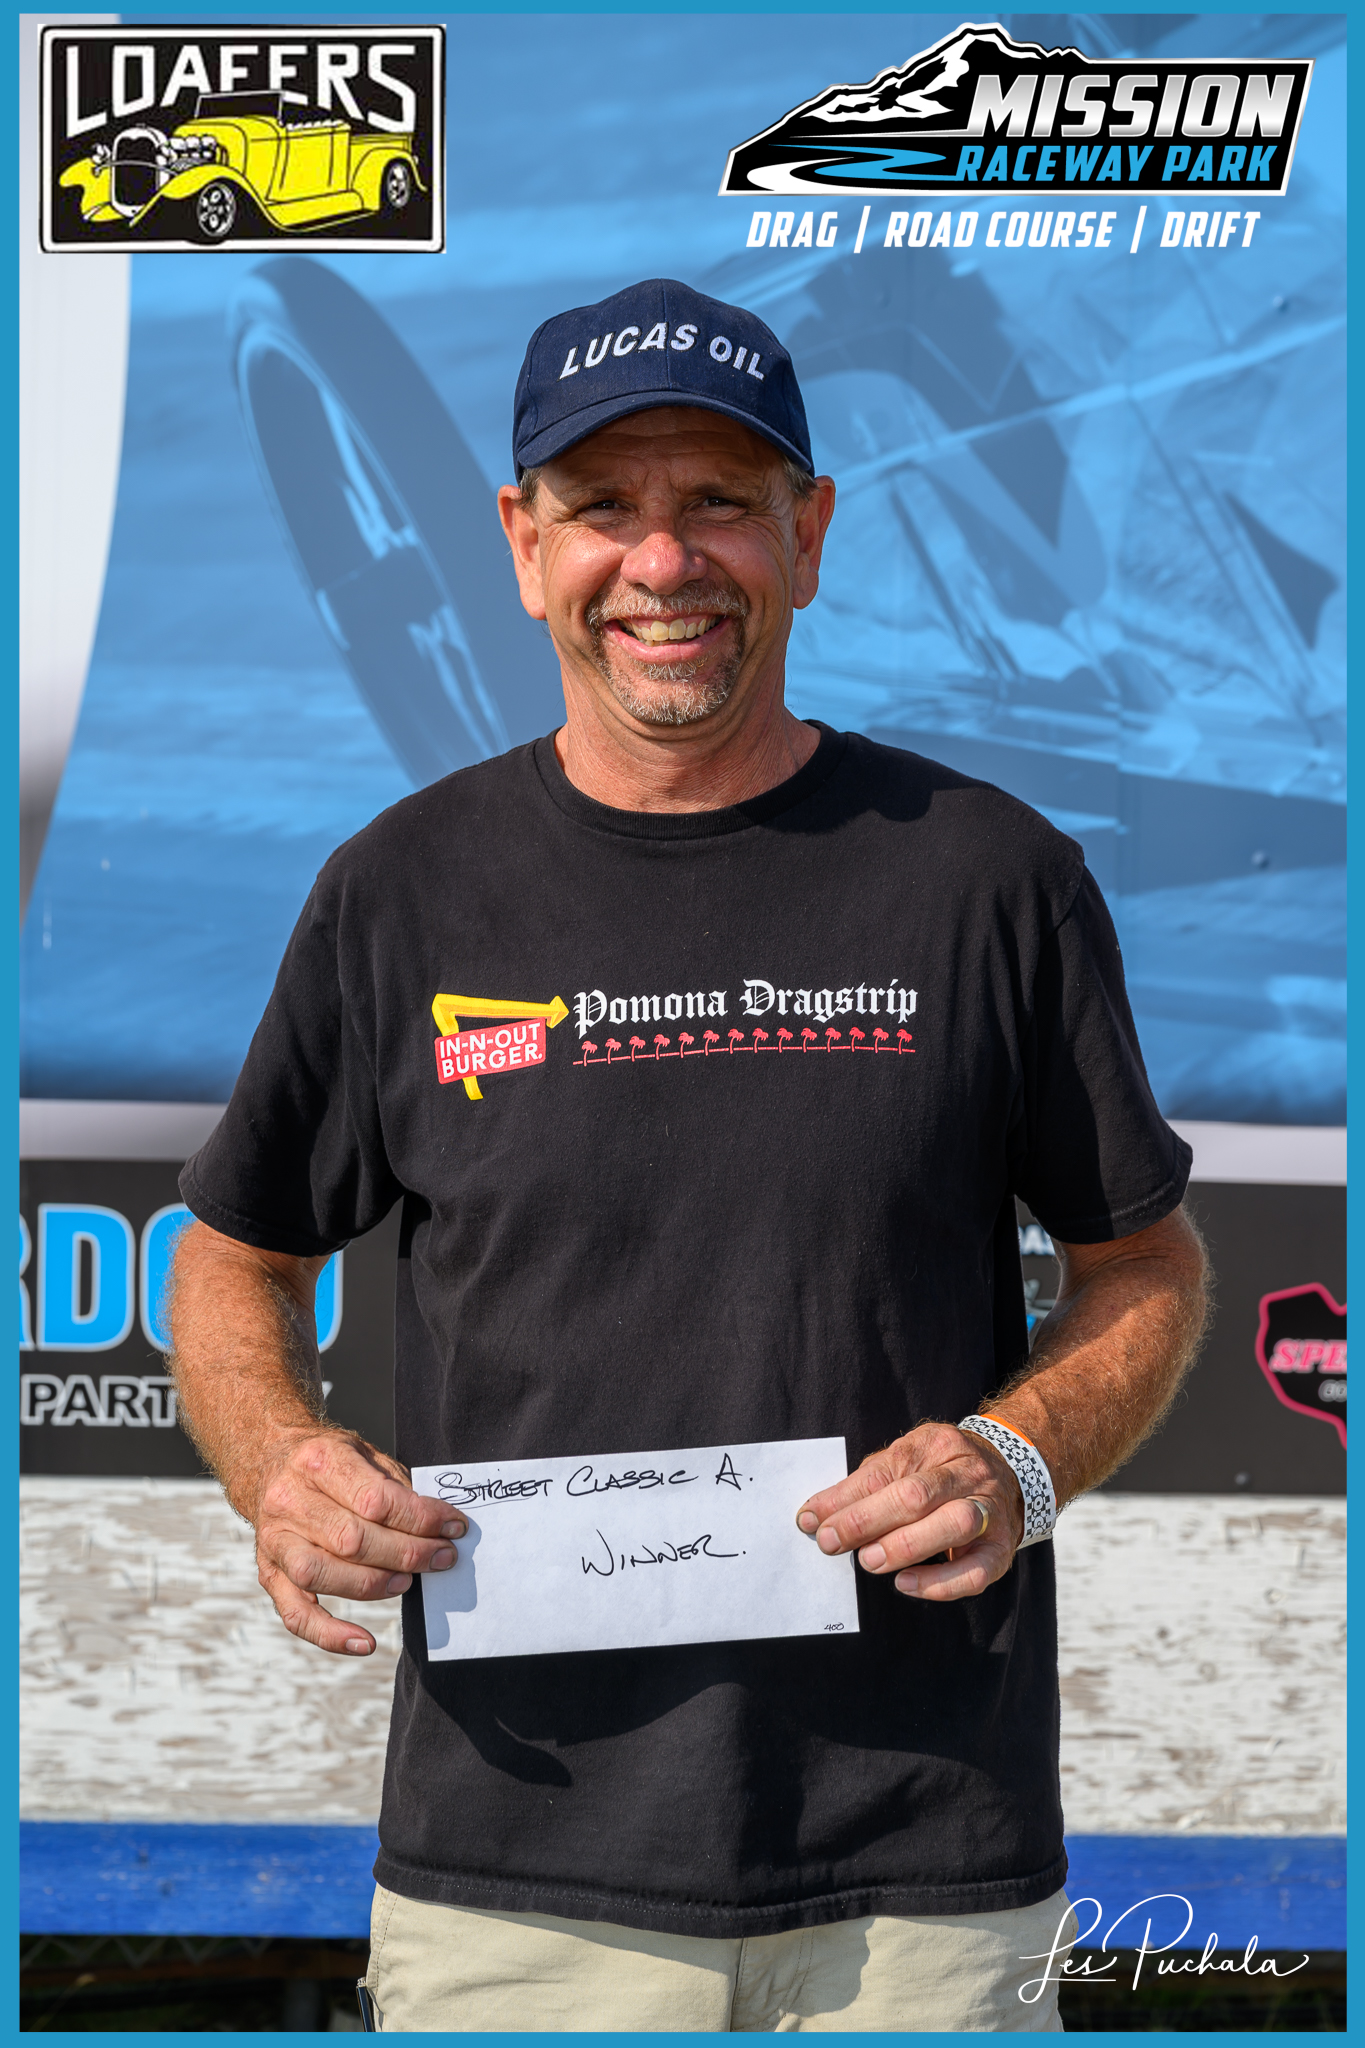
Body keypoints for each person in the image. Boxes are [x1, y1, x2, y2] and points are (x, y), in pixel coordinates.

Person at [169, 277, 1208, 2032]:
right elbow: (235, 1251)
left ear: (807, 535)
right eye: (602, 508)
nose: (662, 562)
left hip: (927, 1892)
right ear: (522, 546)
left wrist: (1019, 1460)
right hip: (516, 1894)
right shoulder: (399, 890)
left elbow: (1146, 1265)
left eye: (718, 500)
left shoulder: (987, 878)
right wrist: (277, 1460)